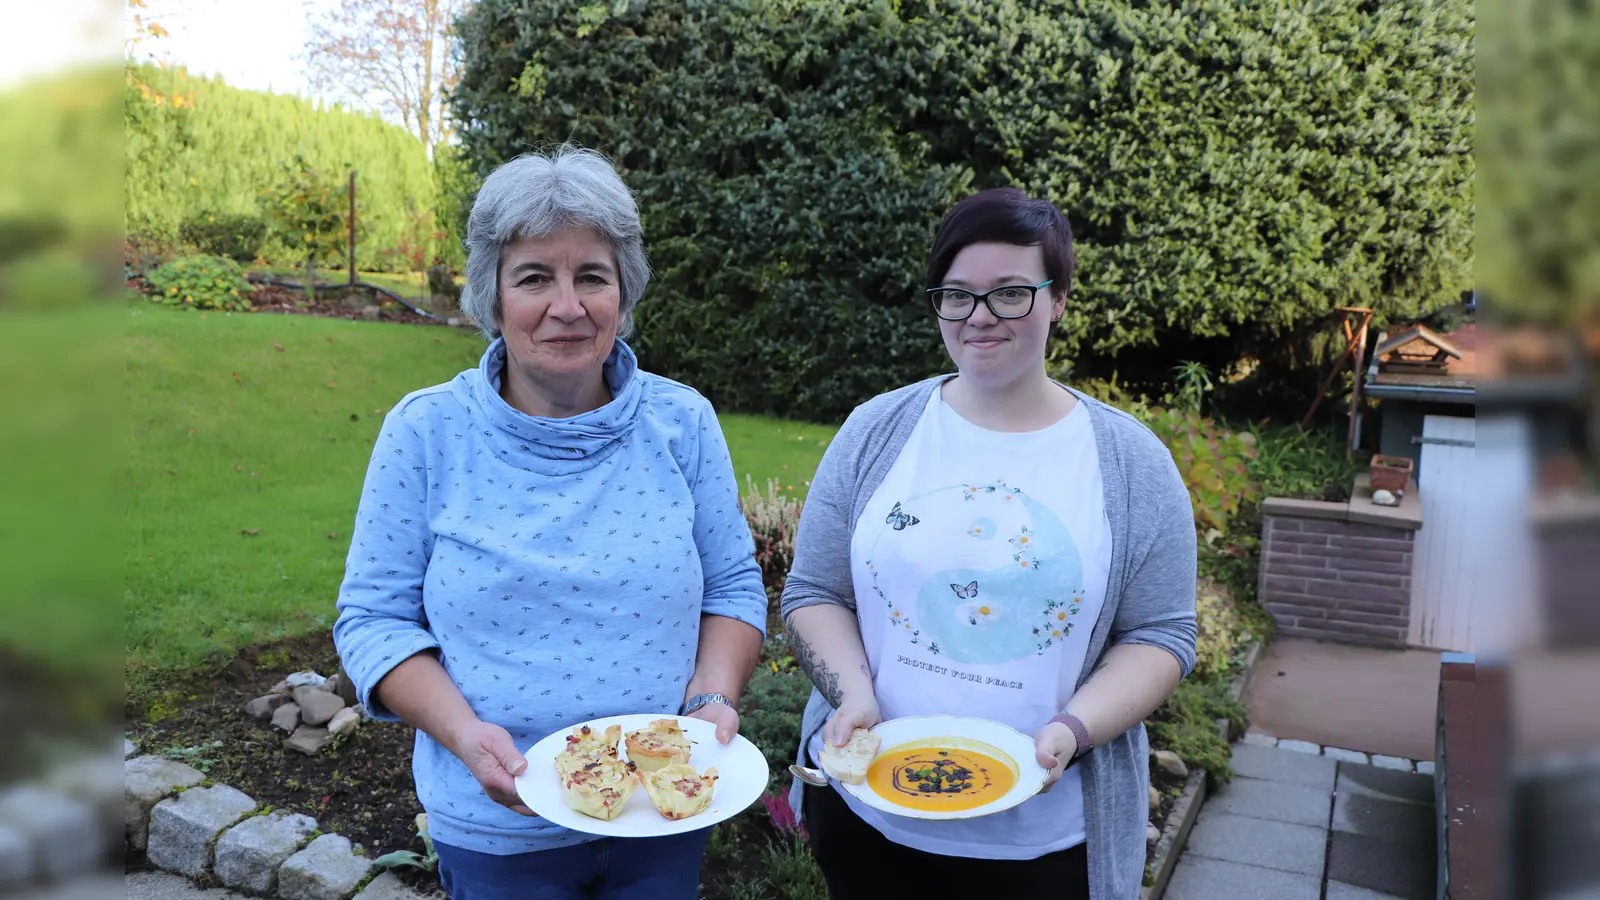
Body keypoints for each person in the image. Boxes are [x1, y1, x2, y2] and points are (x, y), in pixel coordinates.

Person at [332, 145, 767, 900]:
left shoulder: (682, 422)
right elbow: (373, 620)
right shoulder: (427, 432)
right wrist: (463, 735)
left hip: (658, 812)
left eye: (592, 276)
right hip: (498, 828)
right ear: (493, 298)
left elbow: (730, 583)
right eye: (535, 277)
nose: (568, 305)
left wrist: (712, 696)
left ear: (622, 295)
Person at [779, 187, 1198, 899]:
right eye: (957, 294)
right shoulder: (876, 432)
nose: (979, 317)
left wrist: (1075, 728)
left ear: (1058, 297)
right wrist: (852, 694)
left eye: (1010, 293)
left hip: (1044, 846)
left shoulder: (1131, 462)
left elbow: (1161, 634)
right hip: (868, 823)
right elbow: (815, 592)